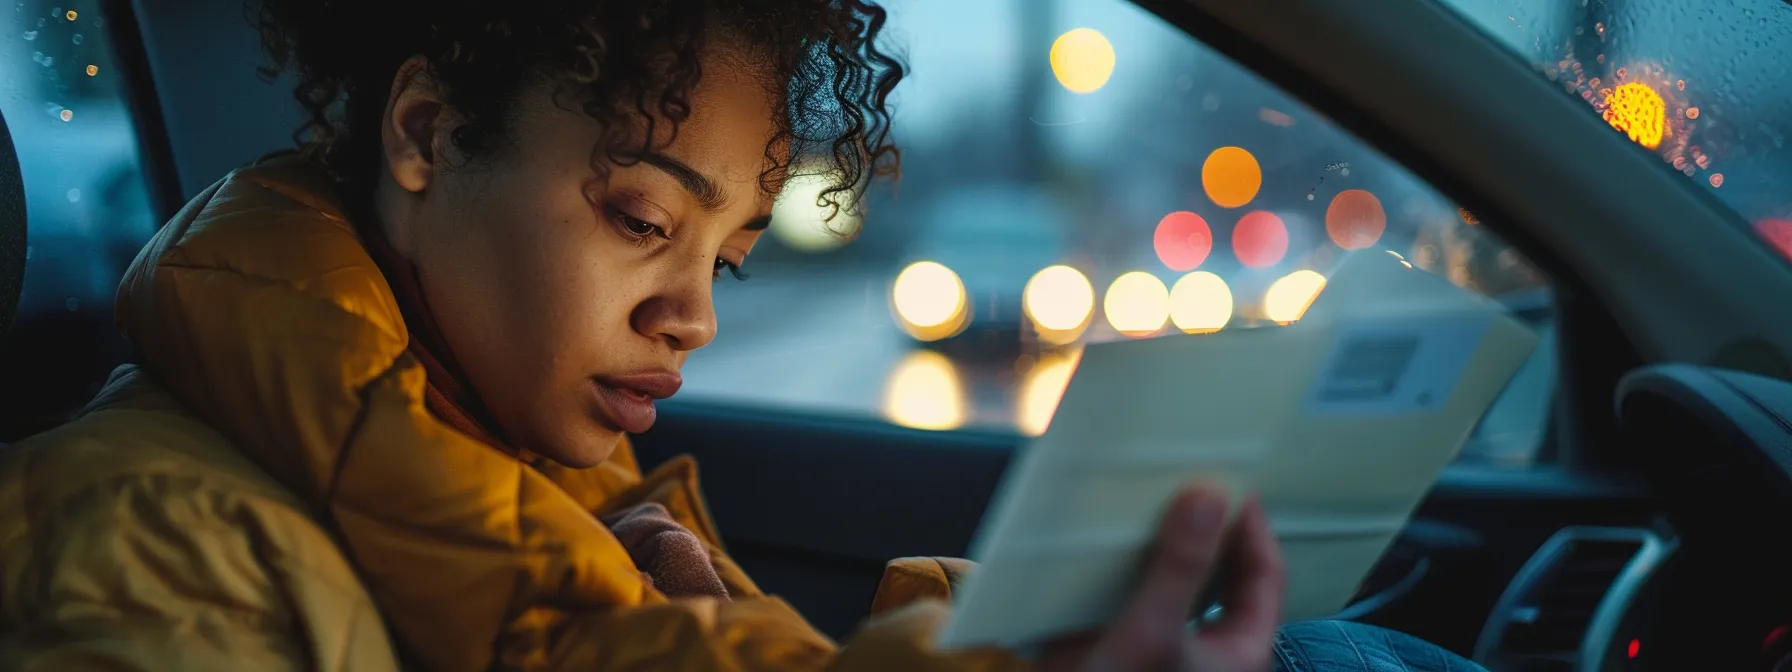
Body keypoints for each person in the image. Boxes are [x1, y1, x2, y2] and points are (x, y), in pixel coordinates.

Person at [0, 1, 1487, 670]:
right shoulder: (142, 543)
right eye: (644, 219)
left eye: (729, 253)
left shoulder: (547, 483)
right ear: (428, 129)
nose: (694, 315)